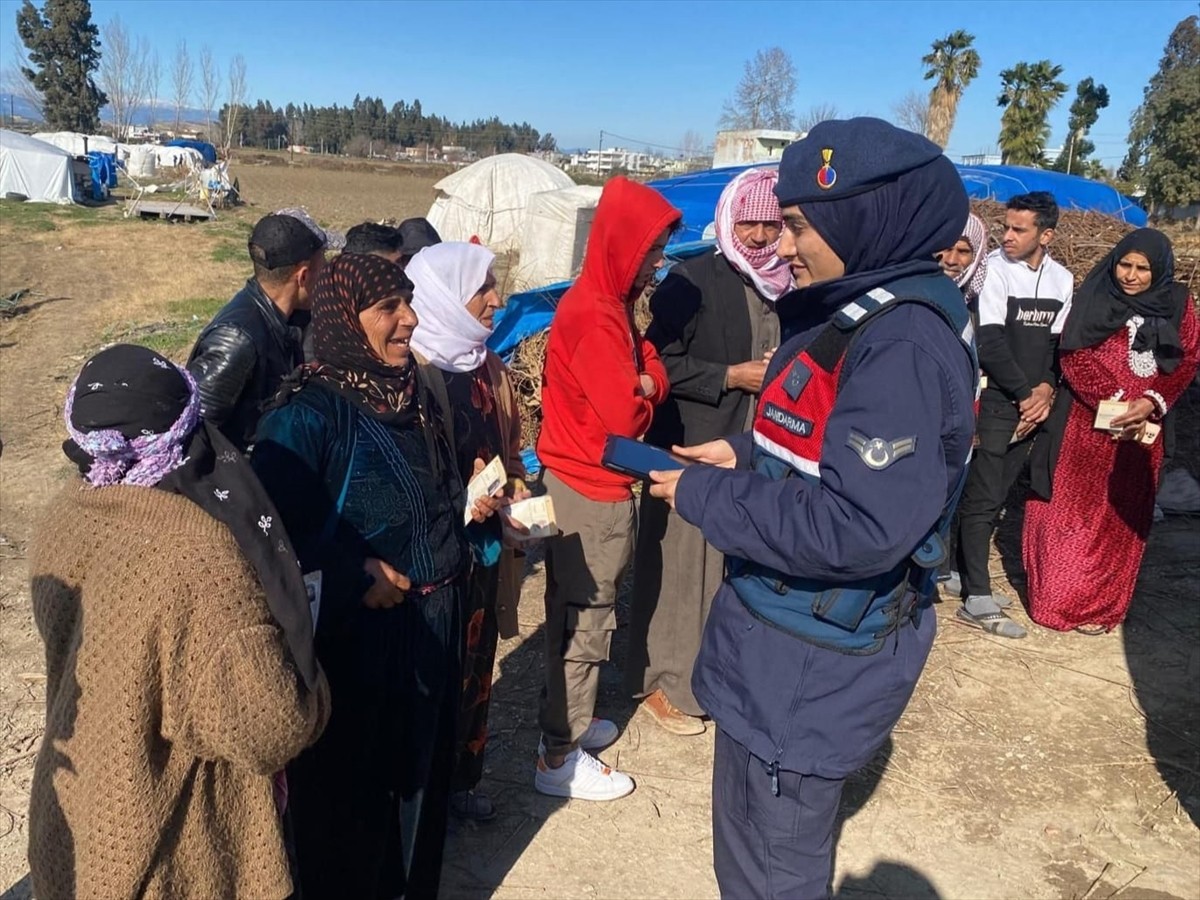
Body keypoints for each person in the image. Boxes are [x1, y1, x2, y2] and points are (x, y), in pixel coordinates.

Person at [648, 118, 977, 898]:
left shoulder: (900, 343)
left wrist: (708, 495)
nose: (783, 246)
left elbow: (860, 526)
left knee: (772, 872)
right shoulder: (870, 313)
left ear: (859, 215)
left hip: (805, 669)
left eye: (797, 224)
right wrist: (749, 455)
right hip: (782, 648)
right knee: (750, 860)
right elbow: (834, 459)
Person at [28, 344, 329, 900]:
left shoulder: (63, 516)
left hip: (74, 822)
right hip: (171, 853)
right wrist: (313, 699)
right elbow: (268, 728)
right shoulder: (197, 556)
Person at [250, 254, 495, 898]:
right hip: (357, 646)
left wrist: (469, 500)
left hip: (434, 628)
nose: (409, 320)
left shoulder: (414, 392)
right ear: (343, 319)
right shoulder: (306, 416)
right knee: (353, 808)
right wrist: (353, 571)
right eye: (389, 308)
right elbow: (265, 539)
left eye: (408, 303)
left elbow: (431, 496)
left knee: (423, 791)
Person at [626, 167, 793, 737]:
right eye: (749, 221)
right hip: (691, 444)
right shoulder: (690, 279)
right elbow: (654, 366)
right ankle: (664, 683)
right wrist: (731, 375)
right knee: (680, 570)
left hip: (755, 449)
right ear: (728, 218)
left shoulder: (788, 285)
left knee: (732, 570)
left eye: (772, 224)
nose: (760, 235)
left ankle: (716, 677)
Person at [534, 175, 681, 800]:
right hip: (592, 490)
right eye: (651, 251)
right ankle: (557, 757)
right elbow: (625, 416)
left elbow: (646, 364)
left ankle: (570, 718)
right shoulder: (596, 318)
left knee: (577, 612)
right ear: (624, 244)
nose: (656, 265)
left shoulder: (608, 304)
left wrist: (645, 376)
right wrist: (648, 386)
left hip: (583, 482)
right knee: (586, 620)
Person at [406, 241, 528, 821]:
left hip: (481, 554)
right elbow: (407, 480)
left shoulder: (485, 364)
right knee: (432, 673)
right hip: (435, 561)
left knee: (477, 665)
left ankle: (460, 783)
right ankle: (423, 796)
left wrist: (514, 488)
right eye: (483, 289)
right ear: (447, 295)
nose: (497, 300)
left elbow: (507, 446)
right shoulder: (415, 375)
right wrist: (461, 501)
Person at [1024, 229, 1199, 633]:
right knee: (1071, 512)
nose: (1131, 276)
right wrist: (1117, 399)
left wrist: (1151, 401)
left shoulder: (1176, 304)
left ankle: (1102, 606)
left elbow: (1188, 358)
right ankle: (1059, 602)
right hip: (1086, 428)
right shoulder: (1095, 296)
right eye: (1126, 264)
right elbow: (1073, 355)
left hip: (1142, 432)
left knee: (1120, 516)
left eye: (1143, 268)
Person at [952, 192, 1073, 639]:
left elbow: (1056, 347)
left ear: (1046, 235)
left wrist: (1045, 391)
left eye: (1019, 229)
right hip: (1000, 402)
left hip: (1032, 404)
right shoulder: (995, 272)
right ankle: (977, 597)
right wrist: (1026, 395)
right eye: (1006, 227)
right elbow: (992, 342)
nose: (1007, 237)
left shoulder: (1063, 279)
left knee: (998, 493)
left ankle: (962, 575)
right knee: (982, 496)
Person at [187, 211, 335, 451]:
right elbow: (194, 432)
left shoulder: (289, 318)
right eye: (323, 267)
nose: (326, 275)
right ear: (303, 276)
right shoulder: (236, 342)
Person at [937, 211, 990, 309]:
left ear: (976, 257)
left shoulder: (985, 299)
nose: (951, 261)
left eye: (963, 251)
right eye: (946, 248)